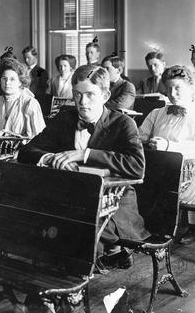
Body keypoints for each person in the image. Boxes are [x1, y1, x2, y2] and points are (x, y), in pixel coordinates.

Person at [18, 64, 148, 269]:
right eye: (77, 94)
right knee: (42, 223)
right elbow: (26, 151)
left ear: (105, 95)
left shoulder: (123, 123)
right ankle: (55, 283)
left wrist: (85, 155)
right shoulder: (64, 118)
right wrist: (51, 158)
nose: (82, 102)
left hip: (114, 202)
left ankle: (71, 288)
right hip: (71, 197)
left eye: (90, 95)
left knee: (79, 229)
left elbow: (137, 166)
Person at [138, 65, 195, 233]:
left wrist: (169, 146)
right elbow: (140, 137)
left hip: (189, 172)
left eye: (178, 88)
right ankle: (146, 229)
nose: (172, 93)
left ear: (191, 88)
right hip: (157, 169)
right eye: (169, 89)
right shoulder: (157, 113)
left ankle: (166, 229)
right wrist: (145, 142)